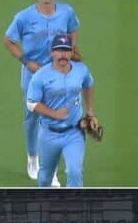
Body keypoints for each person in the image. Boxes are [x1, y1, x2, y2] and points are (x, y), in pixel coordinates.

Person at [3, 0, 80, 187]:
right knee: (31, 117)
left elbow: (73, 30)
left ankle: (51, 169)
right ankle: (32, 157)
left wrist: (71, 51)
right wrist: (26, 61)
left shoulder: (66, 12)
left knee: (55, 118)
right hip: (33, 73)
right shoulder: (24, 17)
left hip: (59, 72)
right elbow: (8, 40)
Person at [26, 34, 97, 187]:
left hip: (74, 132)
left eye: (66, 50)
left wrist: (90, 113)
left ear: (71, 52)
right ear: (52, 52)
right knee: (45, 178)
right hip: (48, 134)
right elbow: (31, 104)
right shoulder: (41, 76)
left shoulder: (81, 70)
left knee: (75, 172)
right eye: (59, 50)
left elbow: (89, 84)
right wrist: (54, 114)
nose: (63, 54)